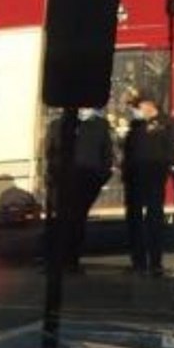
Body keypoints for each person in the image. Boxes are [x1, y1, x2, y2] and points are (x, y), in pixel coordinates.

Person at [44, 107, 114, 273]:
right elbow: (50, 151)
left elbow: (106, 153)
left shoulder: (99, 125)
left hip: (87, 176)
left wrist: (101, 175)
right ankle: (62, 258)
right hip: (64, 176)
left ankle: (71, 258)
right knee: (65, 218)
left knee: (77, 219)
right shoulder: (57, 125)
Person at [122, 92, 174, 277]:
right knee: (134, 220)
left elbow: (171, 148)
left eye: (139, 106)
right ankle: (138, 261)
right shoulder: (136, 125)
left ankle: (155, 262)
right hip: (134, 177)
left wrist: (166, 168)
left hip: (154, 176)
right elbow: (129, 151)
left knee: (154, 219)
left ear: (150, 104)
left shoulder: (167, 123)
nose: (136, 110)